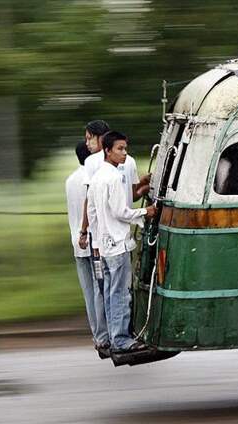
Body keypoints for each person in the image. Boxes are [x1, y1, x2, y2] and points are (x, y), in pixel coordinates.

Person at [87, 131, 156, 354]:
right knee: (120, 294)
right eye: (119, 149)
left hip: (105, 246)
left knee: (109, 293)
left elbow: (92, 212)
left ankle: (114, 335)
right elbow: (120, 211)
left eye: (125, 148)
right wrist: (147, 211)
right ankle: (121, 339)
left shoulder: (97, 177)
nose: (124, 153)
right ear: (107, 150)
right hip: (117, 244)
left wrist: (96, 242)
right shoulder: (114, 177)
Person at [65, 141, 109, 356]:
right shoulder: (92, 178)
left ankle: (97, 335)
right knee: (100, 289)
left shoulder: (70, 180)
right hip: (92, 242)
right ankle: (104, 336)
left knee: (88, 293)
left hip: (76, 243)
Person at [78, 120, 150, 250]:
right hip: (124, 233)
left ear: (101, 138)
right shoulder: (130, 160)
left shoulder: (91, 162)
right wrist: (144, 188)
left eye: (90, 138)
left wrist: (84, 231)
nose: (87, 143)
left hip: (104, 235)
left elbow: (90, 201)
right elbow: (132, 196)